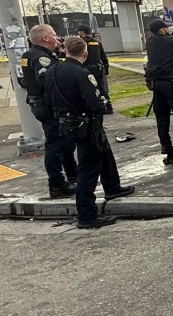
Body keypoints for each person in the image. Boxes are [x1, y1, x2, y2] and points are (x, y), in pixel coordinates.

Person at [48, 36, 134, 229]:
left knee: (104, 154)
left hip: (67, 123)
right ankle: (86, 214)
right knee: (88, 168)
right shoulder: (82, 73)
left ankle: (112, 187)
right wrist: (103, 104)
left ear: (65, 51)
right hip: (86, 124)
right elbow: (95, 102)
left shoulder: (53, 70)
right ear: (85, 54)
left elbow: (48, 96)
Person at [21, 24, 78, 198]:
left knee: (66, 141)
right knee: (55, 144)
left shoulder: (29, 54)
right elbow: (47, 80)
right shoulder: (40, 57)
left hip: (41, 104)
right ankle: (56, 183)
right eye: (53, 35)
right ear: (45, 38)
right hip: (49, 106)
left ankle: (73, 175)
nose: (56, 37)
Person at [144, 19, 173, 165]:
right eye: (166, 28)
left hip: (156, 86)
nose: (168, 29)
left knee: (162, 117)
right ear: (162, 29)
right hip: (171, 85)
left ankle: (166, 146)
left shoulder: (150, 42)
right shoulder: (171, 41)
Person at [76, 24, 111, 97]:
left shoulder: (81, 43)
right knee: (101, 89)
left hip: (85, 69)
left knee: (89, 90)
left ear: (81, 33)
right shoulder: (97, 43)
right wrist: (106, 70)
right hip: (98, 69)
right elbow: (104, 58)